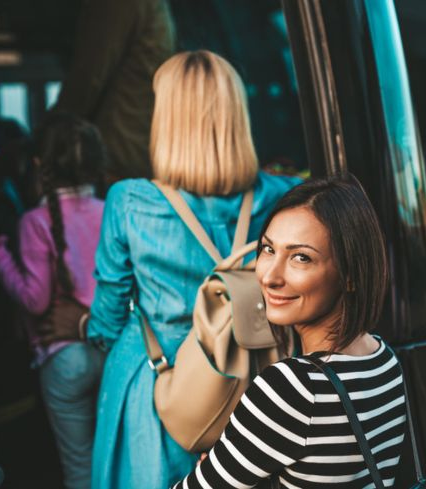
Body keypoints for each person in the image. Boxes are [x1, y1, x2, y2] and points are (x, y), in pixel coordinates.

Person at [38, 50, 300, 488]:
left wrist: (84, 324)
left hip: (159, 390)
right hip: (258, 382)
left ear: (167, 120)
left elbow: (107, 321)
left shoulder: (128, 200)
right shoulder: (285, 196)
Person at [172, 175, 407, 488]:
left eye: (301, 257)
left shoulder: (292, 388)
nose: (270, 276)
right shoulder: (385, 359)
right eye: (268, 249)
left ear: (351, 275)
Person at [0, 112, 107, 489]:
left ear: (39, 165)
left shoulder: (35, 221)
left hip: (64, 361)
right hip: (112, 353)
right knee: (113, 459)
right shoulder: (111, 213)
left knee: (80, 468)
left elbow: (35, 299)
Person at [56, 0, 175, 182]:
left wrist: (48, 134)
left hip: (119, 153)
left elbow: (88, 76)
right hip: (139, 148)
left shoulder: (119, 6)